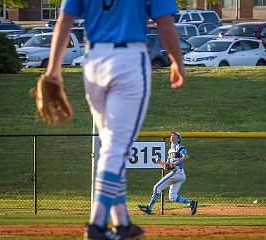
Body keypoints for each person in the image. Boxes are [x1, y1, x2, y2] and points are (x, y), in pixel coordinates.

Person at [44, 0, 187, 239]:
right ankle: (97, 225)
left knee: (111, 147)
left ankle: (122, 223)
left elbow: (65, 21)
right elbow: (165, 23)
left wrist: (53, 69)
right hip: (128, 60)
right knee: (116, 149)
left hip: (94, 60)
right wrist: (177, 62)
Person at [138, 132, 198, 215]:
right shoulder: (170, 150)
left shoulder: (179, 147)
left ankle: (149, 208)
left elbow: (186, 156)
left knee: (157, 187)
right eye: (171, 135)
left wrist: (176, 163)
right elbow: (168, 166)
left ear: (179, 139)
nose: (172, 136)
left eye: (175, 135)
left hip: (177, 172)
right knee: (172, 197)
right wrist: (160, 163)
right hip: (178, 174)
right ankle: (191, 203)